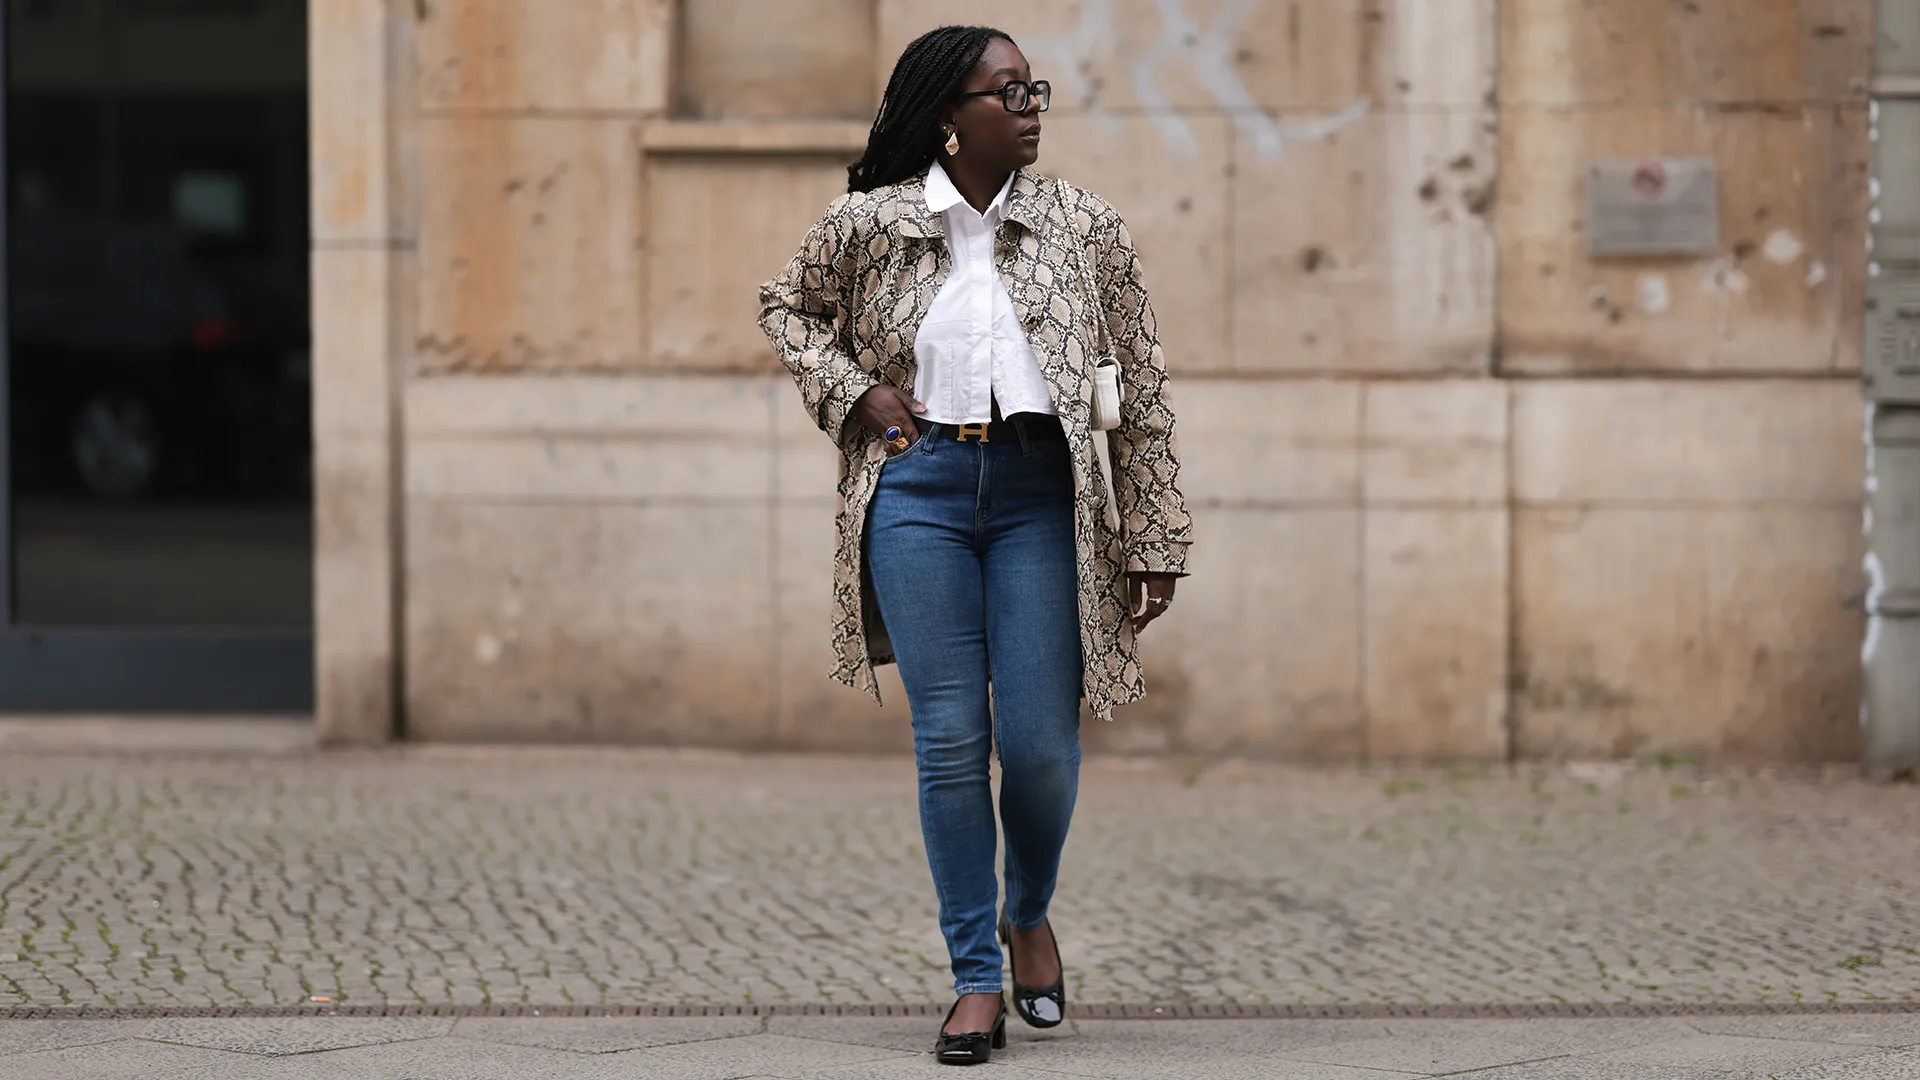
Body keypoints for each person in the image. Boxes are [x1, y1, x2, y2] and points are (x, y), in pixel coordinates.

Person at [758, 24, 1192, 1066]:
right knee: (950, 741)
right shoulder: (871, 223)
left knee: (1040, 745)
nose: (1031, 107)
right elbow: (786, 307)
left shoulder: (1085, 224)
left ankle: (1025, 910)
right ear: (950, 116)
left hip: (1045, 494)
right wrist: (857, 393)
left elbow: (1140, 386)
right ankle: (974, 977)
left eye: (1035, 89)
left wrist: (1155, 532)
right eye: (1008, 92)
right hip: (920, 491)